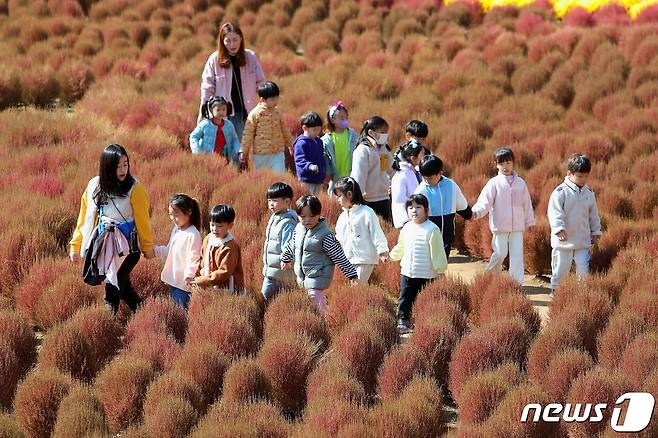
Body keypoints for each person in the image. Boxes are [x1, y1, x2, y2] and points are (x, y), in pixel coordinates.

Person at [69, 144, 154, 315]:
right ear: (107, 167)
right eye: (117, 166)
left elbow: (143, 221)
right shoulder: (95, 185)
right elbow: (85, 218)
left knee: (112, 291)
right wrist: (76, 245)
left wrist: (147, 247)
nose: (123, 169)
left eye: (125, 164)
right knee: (124, 288)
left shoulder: (135, 188)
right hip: (106, 247)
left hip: (128, 249)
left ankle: (106, 328)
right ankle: (149, 317)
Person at [280, 195, 358, 316]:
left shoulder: (325, 235)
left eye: (312, 216)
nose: (307, 220)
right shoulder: (299, 229)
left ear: (319, 214)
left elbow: (339, 256)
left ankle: (326, 326)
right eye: (303, 216)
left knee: (319, 308)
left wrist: (352, 275)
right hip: (303, 278)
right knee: (309, 310)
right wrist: (286, 258)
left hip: (317, 278)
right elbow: (292, 245)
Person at [471, 147, 535, 286]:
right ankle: (489, 278)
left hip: (517, 227)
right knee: (500, 254)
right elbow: (484, 202)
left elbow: (527, 204)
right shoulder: (494, 183)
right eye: (501, 163)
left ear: (513, 163)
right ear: (496, 164)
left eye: (508, 163)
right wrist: (476, 212)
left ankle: (516, 284)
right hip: (500, 226)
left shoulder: (520, 183)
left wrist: (529, 222)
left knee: (517, 256)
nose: (505, 167)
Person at [390, 194, 447, 334]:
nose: (414, 210)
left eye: (418, 207)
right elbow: (401, 246)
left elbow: (437, 251)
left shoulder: (432, 229)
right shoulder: (406, 228)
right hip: (408, 272)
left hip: (426, 273)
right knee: (405, 297)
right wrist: (392, 256)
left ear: (426, 210)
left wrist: (440, 268)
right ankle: (403, 319)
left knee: (426, 298)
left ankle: (426, 320)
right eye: (410, 207)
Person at [199, 21, 266, 138]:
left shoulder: (250, 57)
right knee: (221, 149)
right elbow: (207, 88)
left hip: (244, 114)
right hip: (221, 115)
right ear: (222, 41)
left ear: (241, 38)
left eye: (235, 40)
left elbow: (261, 83)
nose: (232, 44)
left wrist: (265, 105)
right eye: (228, 41)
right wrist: (202, 113)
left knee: (238, 150)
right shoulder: (214, 59)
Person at [547, 153, 602, 293]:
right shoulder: (560, 192)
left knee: (583, 266)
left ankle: (582, 292)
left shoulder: (588, 193)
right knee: (561, 267)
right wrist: (559, 229)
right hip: (564, 241)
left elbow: (593, 214)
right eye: (579, 176)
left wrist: (595, 231)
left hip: (582, 239)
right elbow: (554, 212)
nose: (583, 179)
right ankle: (556, 290)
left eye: (586, 176)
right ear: (569, 173)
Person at [415, 154, 473, 258]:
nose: (427, 181)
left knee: (442, 263)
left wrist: (467, 214)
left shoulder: (450, 185)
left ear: (440, 173)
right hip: (427, 235)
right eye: (424, 178)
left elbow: (460, 203)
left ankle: (440, 275)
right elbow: (416, 212)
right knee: (429, 263)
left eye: (430, 178)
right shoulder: (421, 190)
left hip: (447, 234)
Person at [334, 177, 389, 284]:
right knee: (355, 288)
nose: (338, 199)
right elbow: (339, 238)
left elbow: (376, 232)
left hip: (365, 259)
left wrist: (382, 251)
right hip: (349, 259)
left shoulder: (366, 212)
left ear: (349, 194)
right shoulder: (342, 217)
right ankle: (368, 300)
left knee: (357, 284)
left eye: (340, 196)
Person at [154, 194, 203, 310]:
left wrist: (189, 275)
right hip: (174, 281)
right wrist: (154, 250)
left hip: (183, 285)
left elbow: (194, 258)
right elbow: (168, 251)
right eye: (170, 214)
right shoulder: (176, 230)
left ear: (189, 212)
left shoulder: (193, 234)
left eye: (176, 215)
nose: (173, 218)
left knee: (180, 313)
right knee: (175, 311)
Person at [238, 81, 293, 172]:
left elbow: (284, 130)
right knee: (263, 178)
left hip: (277, 152)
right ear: (262, 99)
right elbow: (247, 134)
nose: (275, 102)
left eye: (276, 98)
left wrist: (291, 145)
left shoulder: (277, 112)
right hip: (261, 154)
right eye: (272, 99)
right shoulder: (255, 114)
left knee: (279, 178)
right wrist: (243, 151)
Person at [350, 116, 395, 222]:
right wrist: (356, 201)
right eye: (383, 132)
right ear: (371, 132)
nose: (385, 135)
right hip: (367, 201)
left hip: (384, 199)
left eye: (386, 132)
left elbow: (392, 170)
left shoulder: (384, 149)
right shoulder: (363, 150)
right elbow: (358, 177)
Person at [194, 204, 245, 294]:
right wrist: (197, 275)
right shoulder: (208, 239)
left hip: (227, 288)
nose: (214, 229)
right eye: (212, 225)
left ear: (230, 226)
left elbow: (224, 272)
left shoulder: (229, 247)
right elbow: (201, 258)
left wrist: (203, 280)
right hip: (208, 284)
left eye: (219, 226)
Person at [261, 182, 298, 302]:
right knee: (269, 300)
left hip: (281, 272)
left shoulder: (288, 222)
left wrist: (286, 259)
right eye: (269, 200)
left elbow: (288, 244)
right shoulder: (275, 217)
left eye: (275, 200)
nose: (271, 204)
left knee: (267, 299)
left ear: (287, 201)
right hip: (272, 271)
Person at [190, 96, 241, 165]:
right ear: (211, 110)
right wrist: (197, 152)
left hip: (225, 156)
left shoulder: (229, 125)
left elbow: (234, 139)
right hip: (208, 158)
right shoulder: (205, 124)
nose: (221, 112)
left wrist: (238, 150)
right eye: (218, 110)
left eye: (223, 109)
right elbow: (194, 137)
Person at [322, 101, 359, 193]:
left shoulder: (353, 135)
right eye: (342, 118)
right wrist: (329, 174)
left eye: (346, 118)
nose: (345, 120)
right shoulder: (327, 140)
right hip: (335, 180)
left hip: (352, 178)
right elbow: (326, 159)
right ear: (332, 120)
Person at [391, 139, 423, 229]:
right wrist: (404, 224)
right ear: (413, 158)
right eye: (421, 155)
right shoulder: (401, 176)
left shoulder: (415, 172)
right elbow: (399, 202)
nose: (423, 157)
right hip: (408, 224)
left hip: (419, 220)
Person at [294, 111, 326, 195]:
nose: (317, 132)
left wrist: (323, 172)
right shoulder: (301, 143)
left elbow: (322, 158)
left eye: (319, 130)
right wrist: (310, 166)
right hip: (306, 179)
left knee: (316, 202)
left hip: (318, 179)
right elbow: (300, 160)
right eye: (314, 130)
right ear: (305, 128)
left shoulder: (319, 141)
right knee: (307, 200)